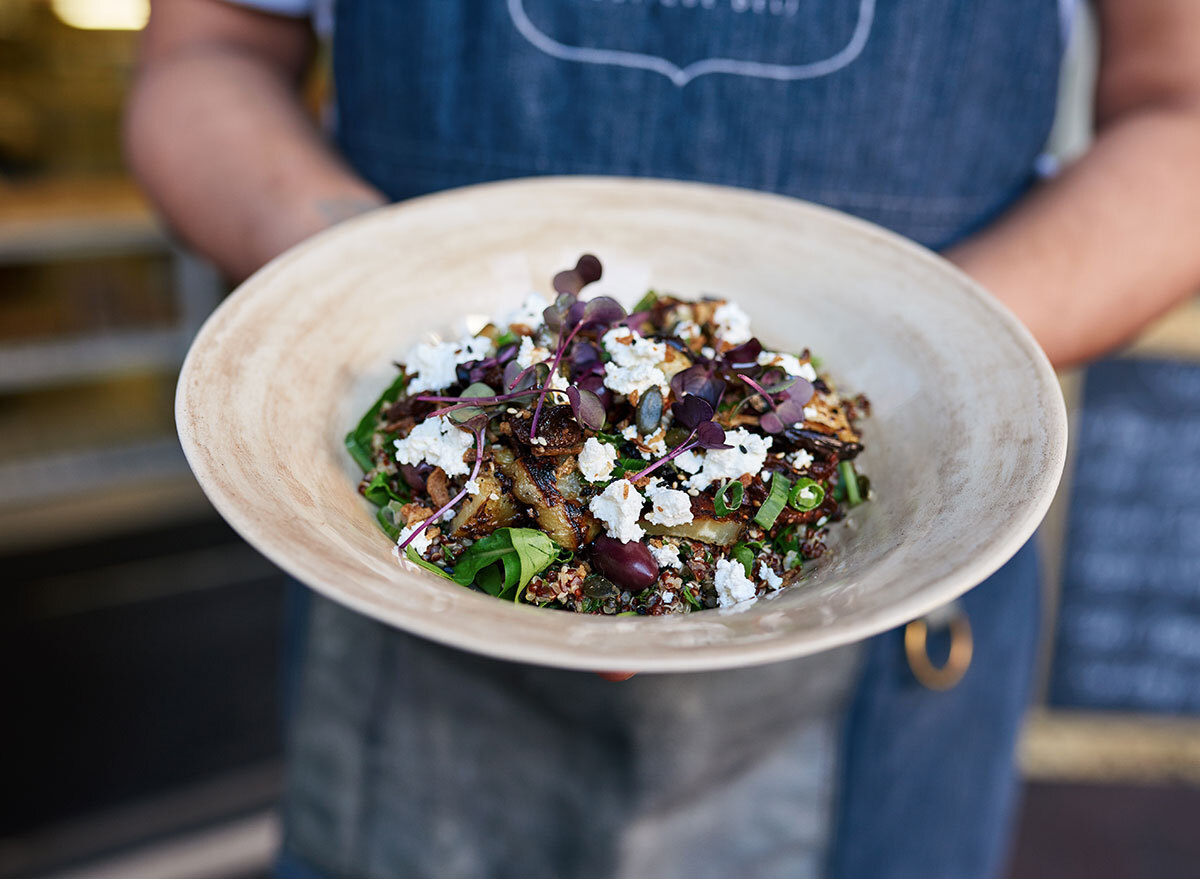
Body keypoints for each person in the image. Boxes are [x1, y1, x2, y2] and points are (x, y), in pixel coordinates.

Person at [126, 2, 1200, 877]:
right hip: (408, 638)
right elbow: (209, 49)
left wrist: (929, 347)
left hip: (885, 653)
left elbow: (1179, 110)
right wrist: (358, 284)